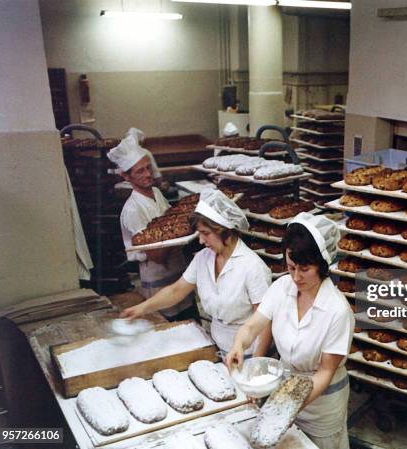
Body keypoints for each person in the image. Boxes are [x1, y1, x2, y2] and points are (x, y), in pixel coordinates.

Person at [226, 213, 354, 449]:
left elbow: (325, 372)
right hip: (283, 393)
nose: (295, 277)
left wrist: (286, 406)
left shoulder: (337, 310)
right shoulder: (281, 288)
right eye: (291, 267)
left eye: (304, 269)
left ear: (322, 265)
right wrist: (239, 344)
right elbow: (253, 325)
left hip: (321, 407)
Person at [121, 189, 273, 357]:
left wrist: (257, 364)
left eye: (205, 233)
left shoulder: (252, 267)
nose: (201, 240)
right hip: (218, 346)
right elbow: (176, 290)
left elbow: (265, 323)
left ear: (224, 230)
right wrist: (142, 308)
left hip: (248, 352)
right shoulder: (203, 258)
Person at [108, 135, 194, 321]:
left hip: (180, 276)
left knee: (191, 320)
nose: (148, 174)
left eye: (148, 168)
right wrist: (180, 231)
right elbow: (156, 256)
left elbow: (171, 225)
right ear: (125, 176)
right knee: (171, 325)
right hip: (158, 281)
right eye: (140, 171)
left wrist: (175, 228)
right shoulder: (132, 210)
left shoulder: (155, 192)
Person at [123, 127, 170, 191]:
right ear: (141, 142)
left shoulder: (122, 153)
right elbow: (157, 176)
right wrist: (161, 184)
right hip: (140, 188)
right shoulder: (145, 152)